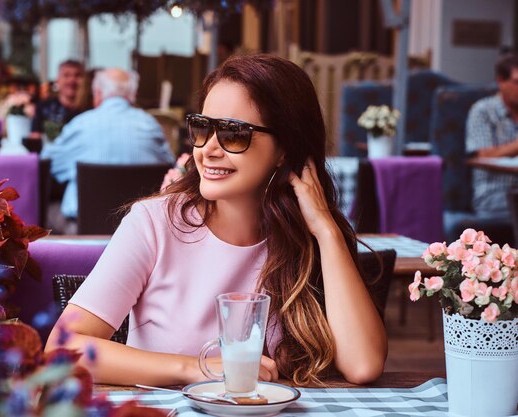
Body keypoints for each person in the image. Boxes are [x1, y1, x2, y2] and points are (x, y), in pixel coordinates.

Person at [45, 55, 387, 386]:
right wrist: (196, 368)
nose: (207, 148)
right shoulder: (153, 224)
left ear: (284, 149)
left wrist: (326, 231)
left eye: (232, 133)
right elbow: (63, 349)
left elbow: (363, 365)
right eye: (201, 128)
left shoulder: (307, 238)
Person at [41, 67, 175, 233]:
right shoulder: (151, 125)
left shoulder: (81, 124)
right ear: (132, 95)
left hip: (83, 232)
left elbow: (46, 165)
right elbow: (172, 170)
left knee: (46, 210)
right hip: (141, 232)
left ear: (97, 93)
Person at [464, 53, 518, 233]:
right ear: (500, 81)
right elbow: (483, 154)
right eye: (516, 82)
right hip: (494, 194)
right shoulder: (483, 111)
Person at [30, 59, 84, 141]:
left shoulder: (90, 109)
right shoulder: (43, 107)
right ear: (57, 80)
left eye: (77, 75)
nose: (72, 80)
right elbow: (35, 138)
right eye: (66, 75)